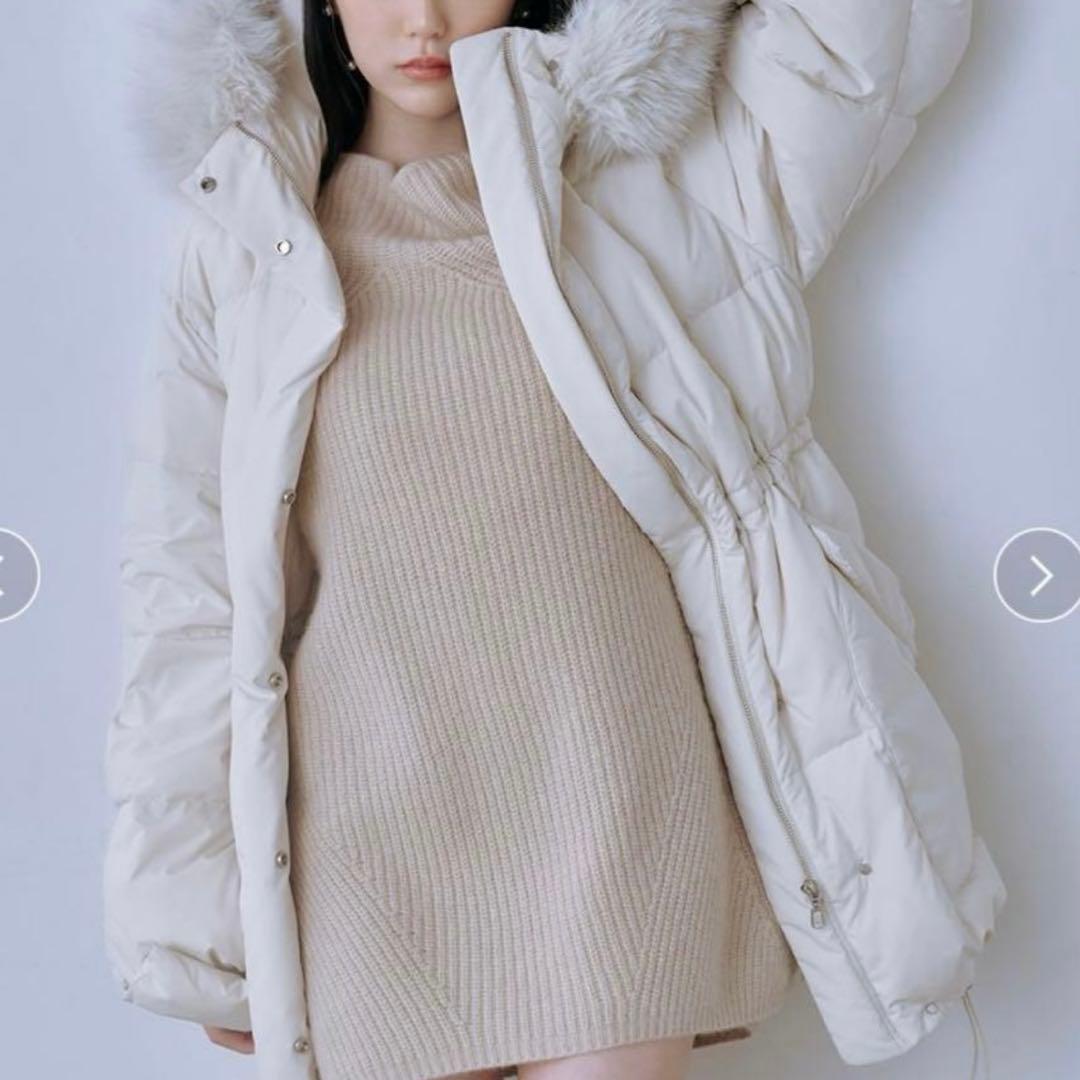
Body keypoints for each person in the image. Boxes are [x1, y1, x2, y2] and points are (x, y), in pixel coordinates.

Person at [103, 2, 1005, 1079]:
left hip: (623, 799)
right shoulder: (243, 239)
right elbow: (188, 584)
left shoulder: (661, 183)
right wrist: (188, 913)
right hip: (362, 835)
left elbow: (863, 36)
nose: (425, 19)